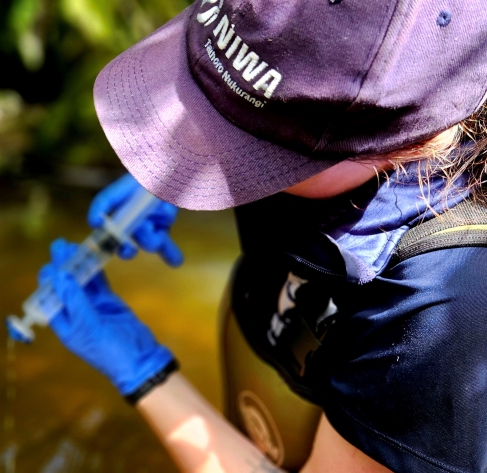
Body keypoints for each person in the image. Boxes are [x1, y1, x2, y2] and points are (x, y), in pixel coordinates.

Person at [29, 0, 487, 471]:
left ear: (390, 143)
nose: (222, 150)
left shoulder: (444, 306)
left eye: (249, 141)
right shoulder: (311, 124)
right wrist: (175, 170)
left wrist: (146, 375)